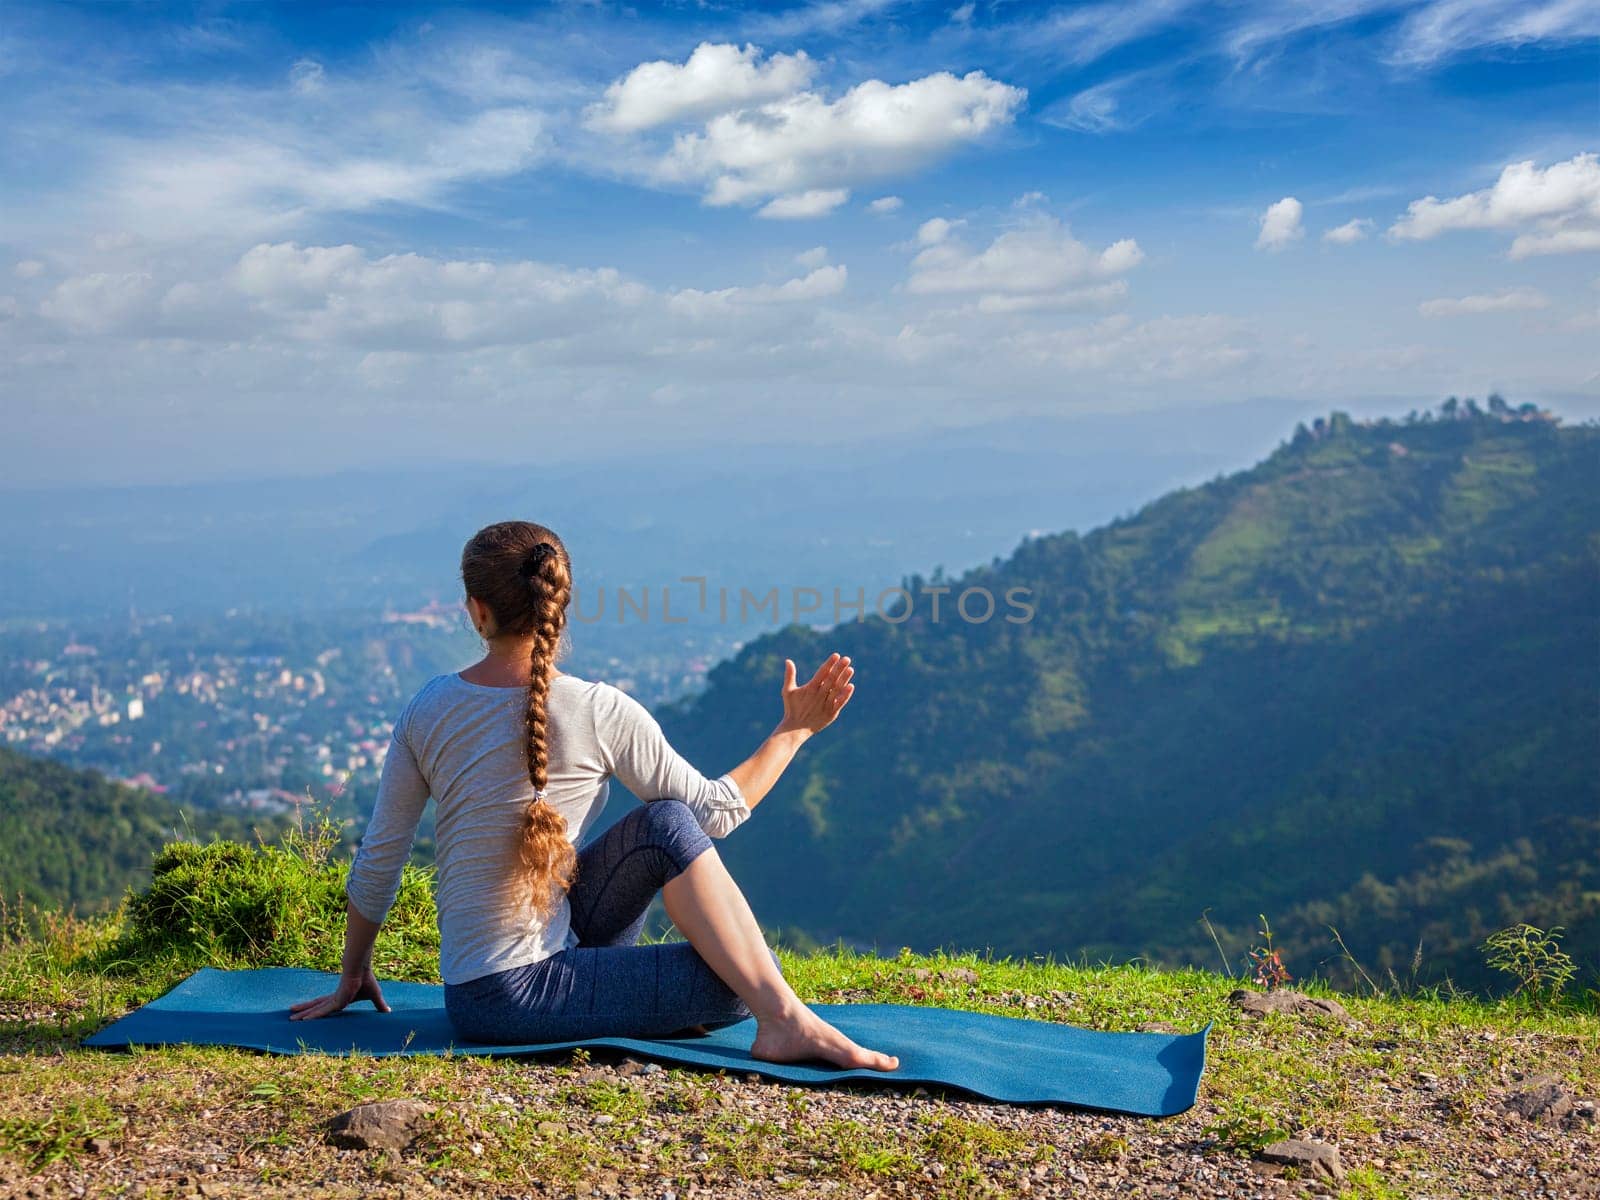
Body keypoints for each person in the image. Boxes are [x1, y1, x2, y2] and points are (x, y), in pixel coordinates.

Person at [288, 520, 899, 1072]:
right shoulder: (599, 709)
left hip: (481, 987)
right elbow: (718, 811)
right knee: (739, 983)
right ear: (561, 602)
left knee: (666, 825)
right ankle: (784, 1021)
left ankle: (767, 1012)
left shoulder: (428, 708)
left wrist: (352, 974)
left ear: (477, 612)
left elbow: (379, 861)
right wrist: (793, 732)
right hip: (513, 999)